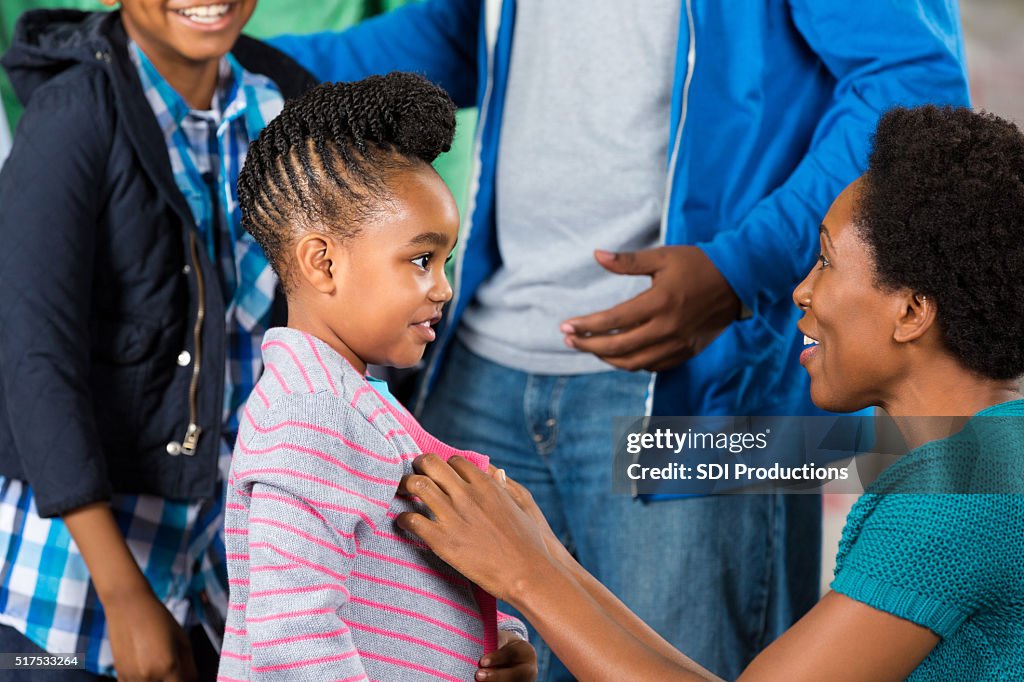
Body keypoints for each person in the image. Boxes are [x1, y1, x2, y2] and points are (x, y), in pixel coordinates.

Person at [268, 3, 971, 678]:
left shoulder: (968, 492)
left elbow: (913, 82)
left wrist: (741, 269)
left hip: (706, 381)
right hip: (481, 367)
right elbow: (463, 31)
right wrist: (240, 62)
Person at [394, 105, 1024, 681]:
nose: (802, 291)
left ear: (912, 311)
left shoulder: (952, 505)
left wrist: (527, 577)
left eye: (827, 262)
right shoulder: (996, 454)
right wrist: (551, 562)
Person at [0, 2, 314, 679]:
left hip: (229, 555)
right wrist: (121, 592)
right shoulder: (73, 114)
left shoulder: (285, 100)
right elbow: (33, 360)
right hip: (77, 574)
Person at [218, 73, 535, 682]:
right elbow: (295, 637)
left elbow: (408, 574)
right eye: (420, 260)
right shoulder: (306, 418)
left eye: (445, 260)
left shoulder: (354, 406)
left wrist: (501, 636)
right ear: (324, 262)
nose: (442, 287)